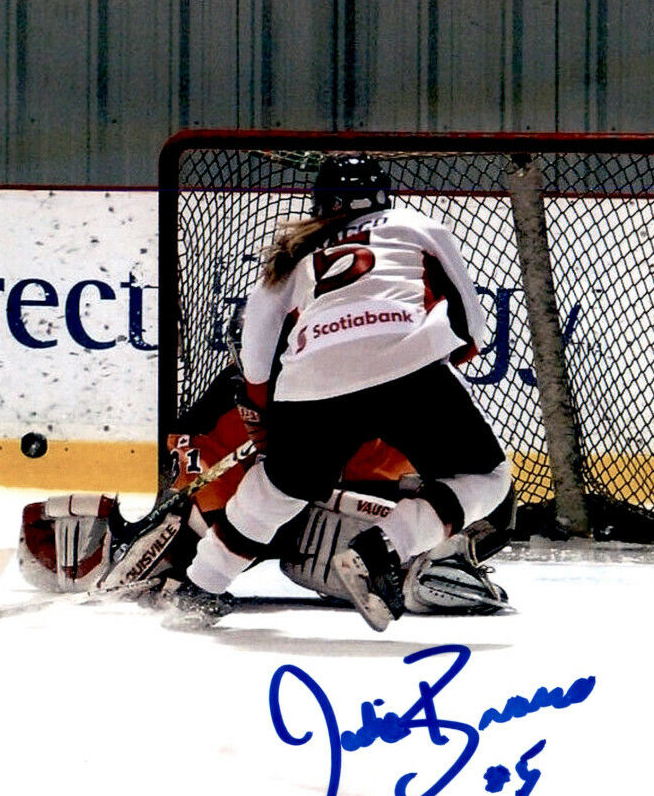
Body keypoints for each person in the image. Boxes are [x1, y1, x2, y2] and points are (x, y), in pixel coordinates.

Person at [162, 153, 513, 631]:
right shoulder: (416, 223)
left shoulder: (297, 250)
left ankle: (198, 590)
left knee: (277, 487)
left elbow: (258, 345)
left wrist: (265, 410)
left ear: (320, 202)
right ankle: (379, 549)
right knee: (487, 477)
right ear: (382, 194)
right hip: (408, 368)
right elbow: (470, 323)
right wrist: (441, 365)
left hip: (310, 380)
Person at [15, 356, 513, 613]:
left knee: (301, 538)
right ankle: (417, 564)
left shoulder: (340, 390)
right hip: (282, 505)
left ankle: (428, 564)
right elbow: (222, 506)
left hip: (447, 505)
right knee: (287, 540)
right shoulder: (234, 406)